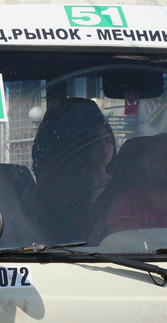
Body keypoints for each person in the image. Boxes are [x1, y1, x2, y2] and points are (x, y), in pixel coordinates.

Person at [27, 98, 117, 242]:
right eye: (95, 141)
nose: (104, 147)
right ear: (81, 147)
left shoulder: (121, 189)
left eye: (108, 141)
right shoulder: (61, 193)